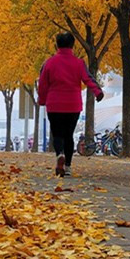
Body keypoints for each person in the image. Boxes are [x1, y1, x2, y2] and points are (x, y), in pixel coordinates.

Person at [38, 32, 104, 176]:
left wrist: (42, 100)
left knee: (57, 134)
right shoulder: (79, 63)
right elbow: (88, 78)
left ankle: (59, 154)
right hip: (73, 105)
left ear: (57, 45)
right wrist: (97, 92)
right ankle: (67, 166)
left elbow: (42, 84)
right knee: (68, 135)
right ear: (72, 45)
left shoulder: (49, 63)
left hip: (54, 104)